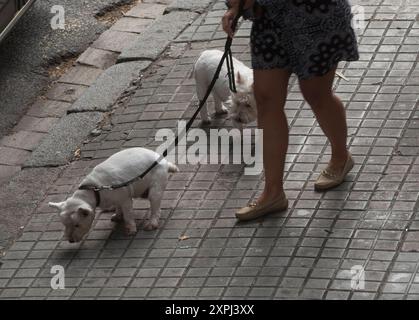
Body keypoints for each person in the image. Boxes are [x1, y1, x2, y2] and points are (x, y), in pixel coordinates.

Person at [222, 0, 359, 221]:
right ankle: (273, 192)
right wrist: (235, 6)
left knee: (317, 95)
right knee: (266, 99)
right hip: (269, 21)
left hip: (314, 14)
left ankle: (340, 158)